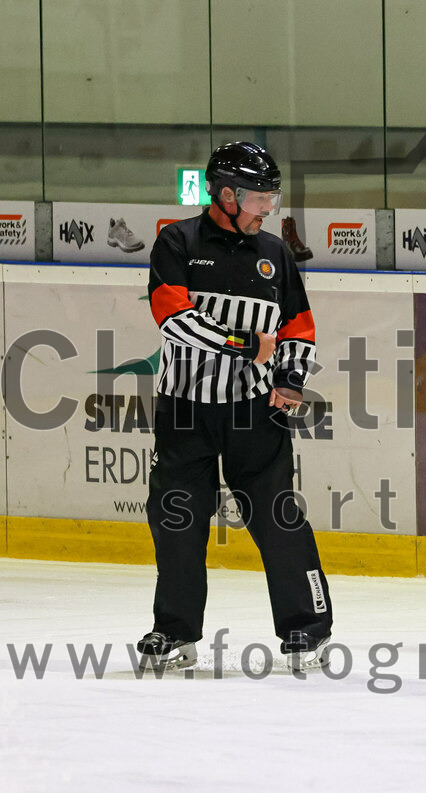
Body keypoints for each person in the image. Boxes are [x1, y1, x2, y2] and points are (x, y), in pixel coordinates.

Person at [137, 141, 333, 671]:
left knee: (277, 518)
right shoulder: (175, 242)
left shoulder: (276, 253)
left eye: (273, 198)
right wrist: (246, 344)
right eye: (260, 198)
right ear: (226, 194)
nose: (269, 209)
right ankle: (175, 632)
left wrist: (290, 379)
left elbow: (299, 328)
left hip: (254, 412)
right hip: (184, 410)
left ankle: (307, 629)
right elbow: (172, 318)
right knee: (177, 520)